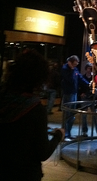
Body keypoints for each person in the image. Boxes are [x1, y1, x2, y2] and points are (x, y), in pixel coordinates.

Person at [0, 49, 65, 181]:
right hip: (25, 174)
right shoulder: (35, 108)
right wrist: (59, 135)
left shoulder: (3, 99)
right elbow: (43, 152)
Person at [61, 55, 90, 140]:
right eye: (74, 64)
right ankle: (65, 134)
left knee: (72, 115)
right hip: (68, 94)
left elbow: (80, 78)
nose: (75, 66)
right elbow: (70, 80)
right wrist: (71, 69)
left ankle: (68, 133)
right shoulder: (65, 69)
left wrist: (88, 84)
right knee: (67, 114)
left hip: (74, 93)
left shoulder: (75, 69)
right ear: (70, 62)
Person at [78, 63, 94, 137]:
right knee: (84, 115)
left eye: (91, 68)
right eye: (88, 68)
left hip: (92, 98)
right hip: (85, 98)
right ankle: (84, 131)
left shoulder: (93, 78)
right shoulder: (82, 77)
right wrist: (81, 93)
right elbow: (79, 86)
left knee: (95, 115)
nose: (89, 70)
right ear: (86, 69)